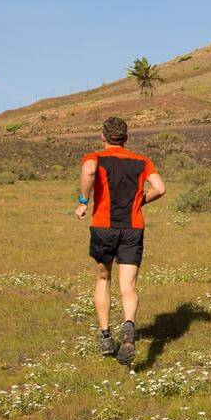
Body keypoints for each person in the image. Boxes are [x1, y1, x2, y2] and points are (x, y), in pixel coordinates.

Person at [75, 117, 166, 364]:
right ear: (126, 139)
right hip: (133, 228)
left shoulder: (95, 157)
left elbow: (88, 171)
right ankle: (128, 326)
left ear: (102, 137)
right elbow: (160, 188)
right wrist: (141, 201)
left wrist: (84, 202)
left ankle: (105, 337)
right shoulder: (142, 161)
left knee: (103, 278)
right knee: (129, 286)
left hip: (104, 227)